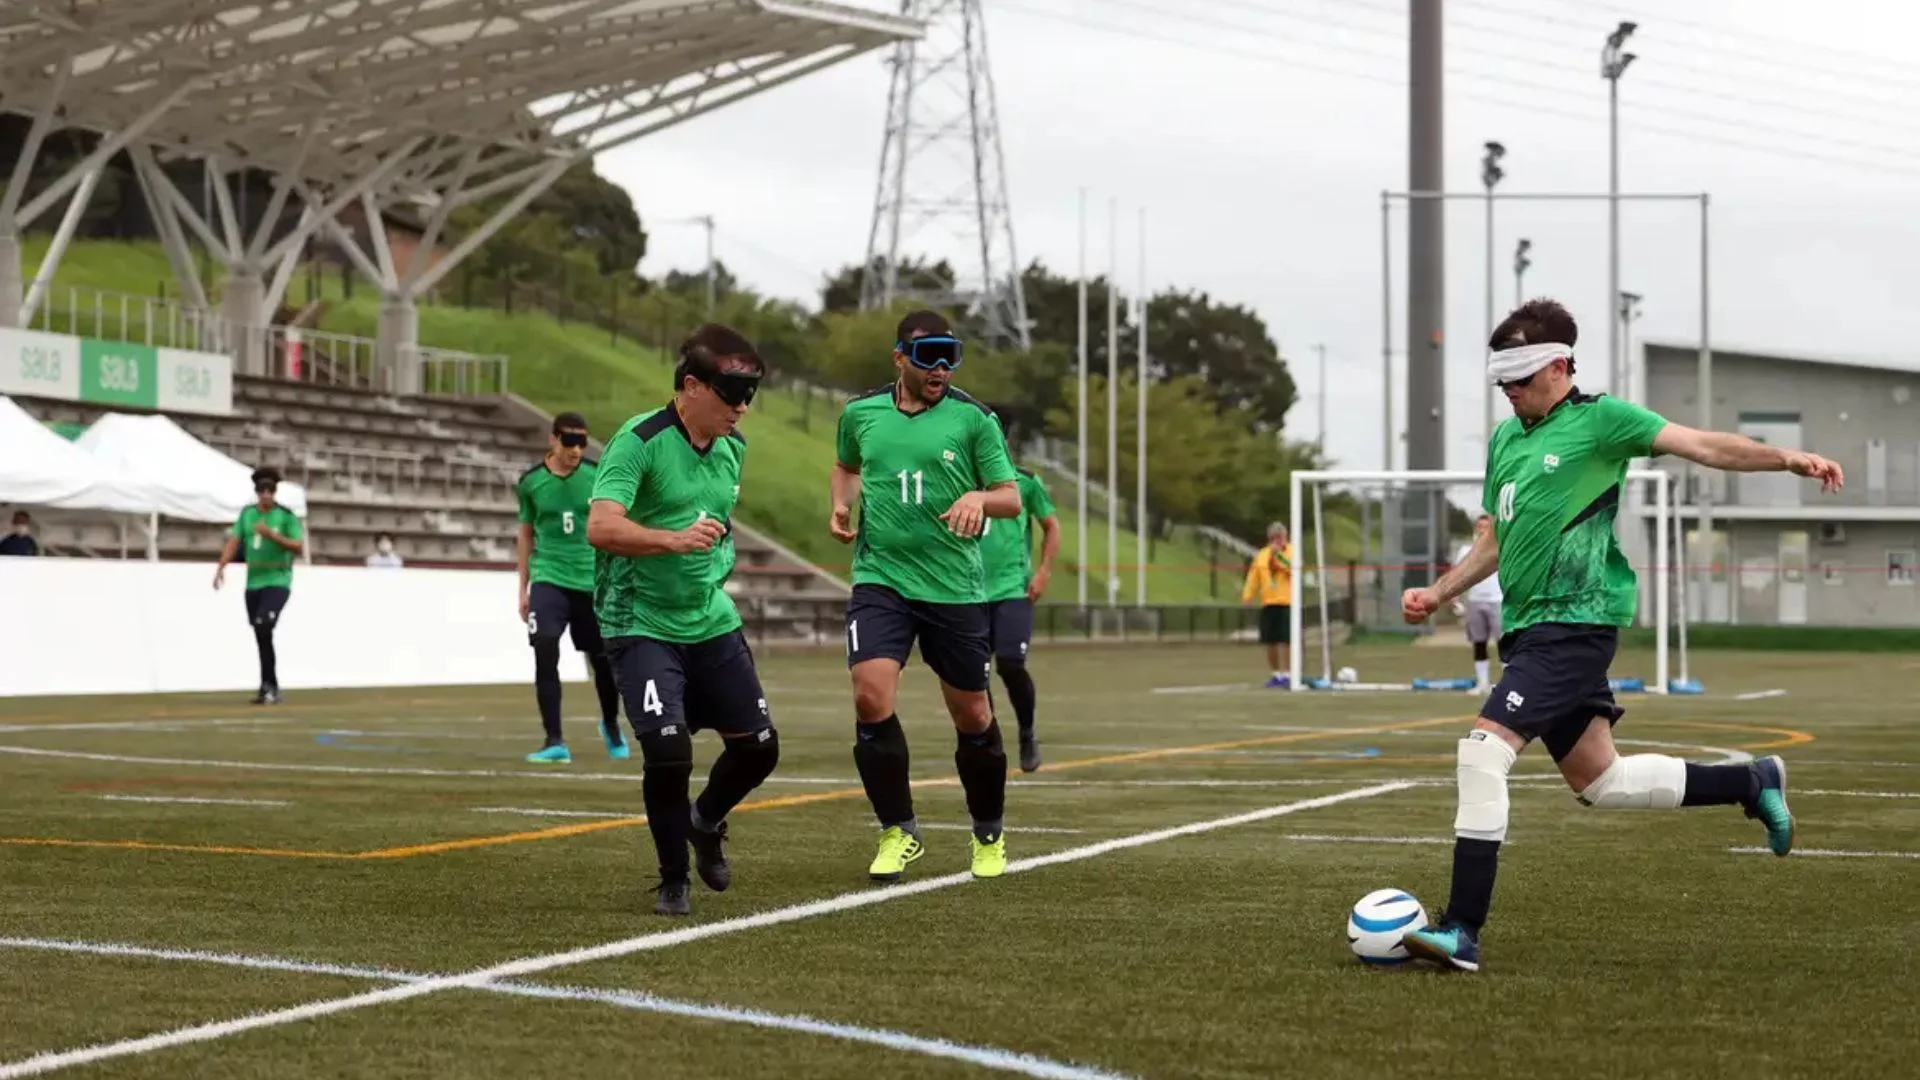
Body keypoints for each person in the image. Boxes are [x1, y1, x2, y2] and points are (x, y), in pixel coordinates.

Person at [1397, 298, 1843, 973]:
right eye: (1502, 385)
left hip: (1575, 623)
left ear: (1557, 366)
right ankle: (1750, 782)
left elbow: (1703, 445)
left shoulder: (1603, 421)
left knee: (1481, 754)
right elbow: (1495, 539)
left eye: (1520, 381)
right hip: (1528, 630)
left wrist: (1786, 458)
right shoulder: (1506, 439)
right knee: (1601, 781)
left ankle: (1462, 929)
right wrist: (1440, 591)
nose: (1511, 395)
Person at [587, 324, 781, 917]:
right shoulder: (638, 441)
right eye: (731, 395)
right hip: (640, 618)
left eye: (750, 396)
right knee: (669, 754)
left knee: (760, 750)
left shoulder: (732, 447)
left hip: (709, 618)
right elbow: (601, 526)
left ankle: (705, 821)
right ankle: (674, 877)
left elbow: (715, 521)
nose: (742, 409)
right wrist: (671, 541)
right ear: (691, 386)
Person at [829, 310, 1022, 883]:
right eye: (927, 355)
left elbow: (1010, 495)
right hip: (880, 576)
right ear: (899, 358)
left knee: (972, 713)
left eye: (950, 356)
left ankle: (988, 830)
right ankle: (898, 830)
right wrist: (841, 504)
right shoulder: (859, 413)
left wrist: (978, 500)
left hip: (953, 588)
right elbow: (846, 465)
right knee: (869, 695)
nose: (940, 368)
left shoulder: (973, 420)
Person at [516, 412, 627, 764]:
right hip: (549, 576)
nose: (576, 449)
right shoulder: (531, 482)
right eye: (569, 441)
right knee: (545, 647)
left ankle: (610, 723)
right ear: (553, 439)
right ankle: (554, 740)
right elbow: (526, 532)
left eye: (582, 441)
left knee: (603, 661)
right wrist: (523, 587)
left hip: (590, 580)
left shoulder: (597, 477)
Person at [977, 452, 1060, 772]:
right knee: (973, 675)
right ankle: (988, 742)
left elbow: (1051, 526)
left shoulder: (1024, 481)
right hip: (967, 593)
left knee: (1011, 663)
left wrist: (1043, 573)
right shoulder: (956, 475)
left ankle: (1027, 733)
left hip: (1013, 590)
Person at [214, 467, 304, 704]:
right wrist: (221, 566)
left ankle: (269, 685)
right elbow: (234, 541)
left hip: (277, 580)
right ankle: (268, 686)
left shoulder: (285, 516)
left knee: (265, 624)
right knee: (261, 634)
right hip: (253, 583)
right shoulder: (247, 515)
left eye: (270, 490)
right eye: (261, 489)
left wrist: (272, 536)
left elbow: (298, 547)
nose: (265, 494)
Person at [1241, 523, 1294, 688]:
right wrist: (1248, 595)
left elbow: (1293, 570)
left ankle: (1288, 673)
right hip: (1269, 602)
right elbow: (1253, 576)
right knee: (1270, 641)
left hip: (1287, 602)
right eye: (1274, 538)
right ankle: (1276, 674)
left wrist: (1279, 558)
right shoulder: (1262, 555)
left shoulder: (1292, 552)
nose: (1277, 541)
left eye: (1281, 537)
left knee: (1287, 640)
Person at [1453, 513, 1501, 691]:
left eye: (1486, 527)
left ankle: (1506, 684)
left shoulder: (1501, 547)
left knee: (1504, 643)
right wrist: (1455, 598)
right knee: (1479, 642)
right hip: (1475, 601)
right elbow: (1457, 575)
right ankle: (1482, 682)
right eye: (1480, 526)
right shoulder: (1466, 551)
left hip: (1497, 600)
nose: (1482, 530)